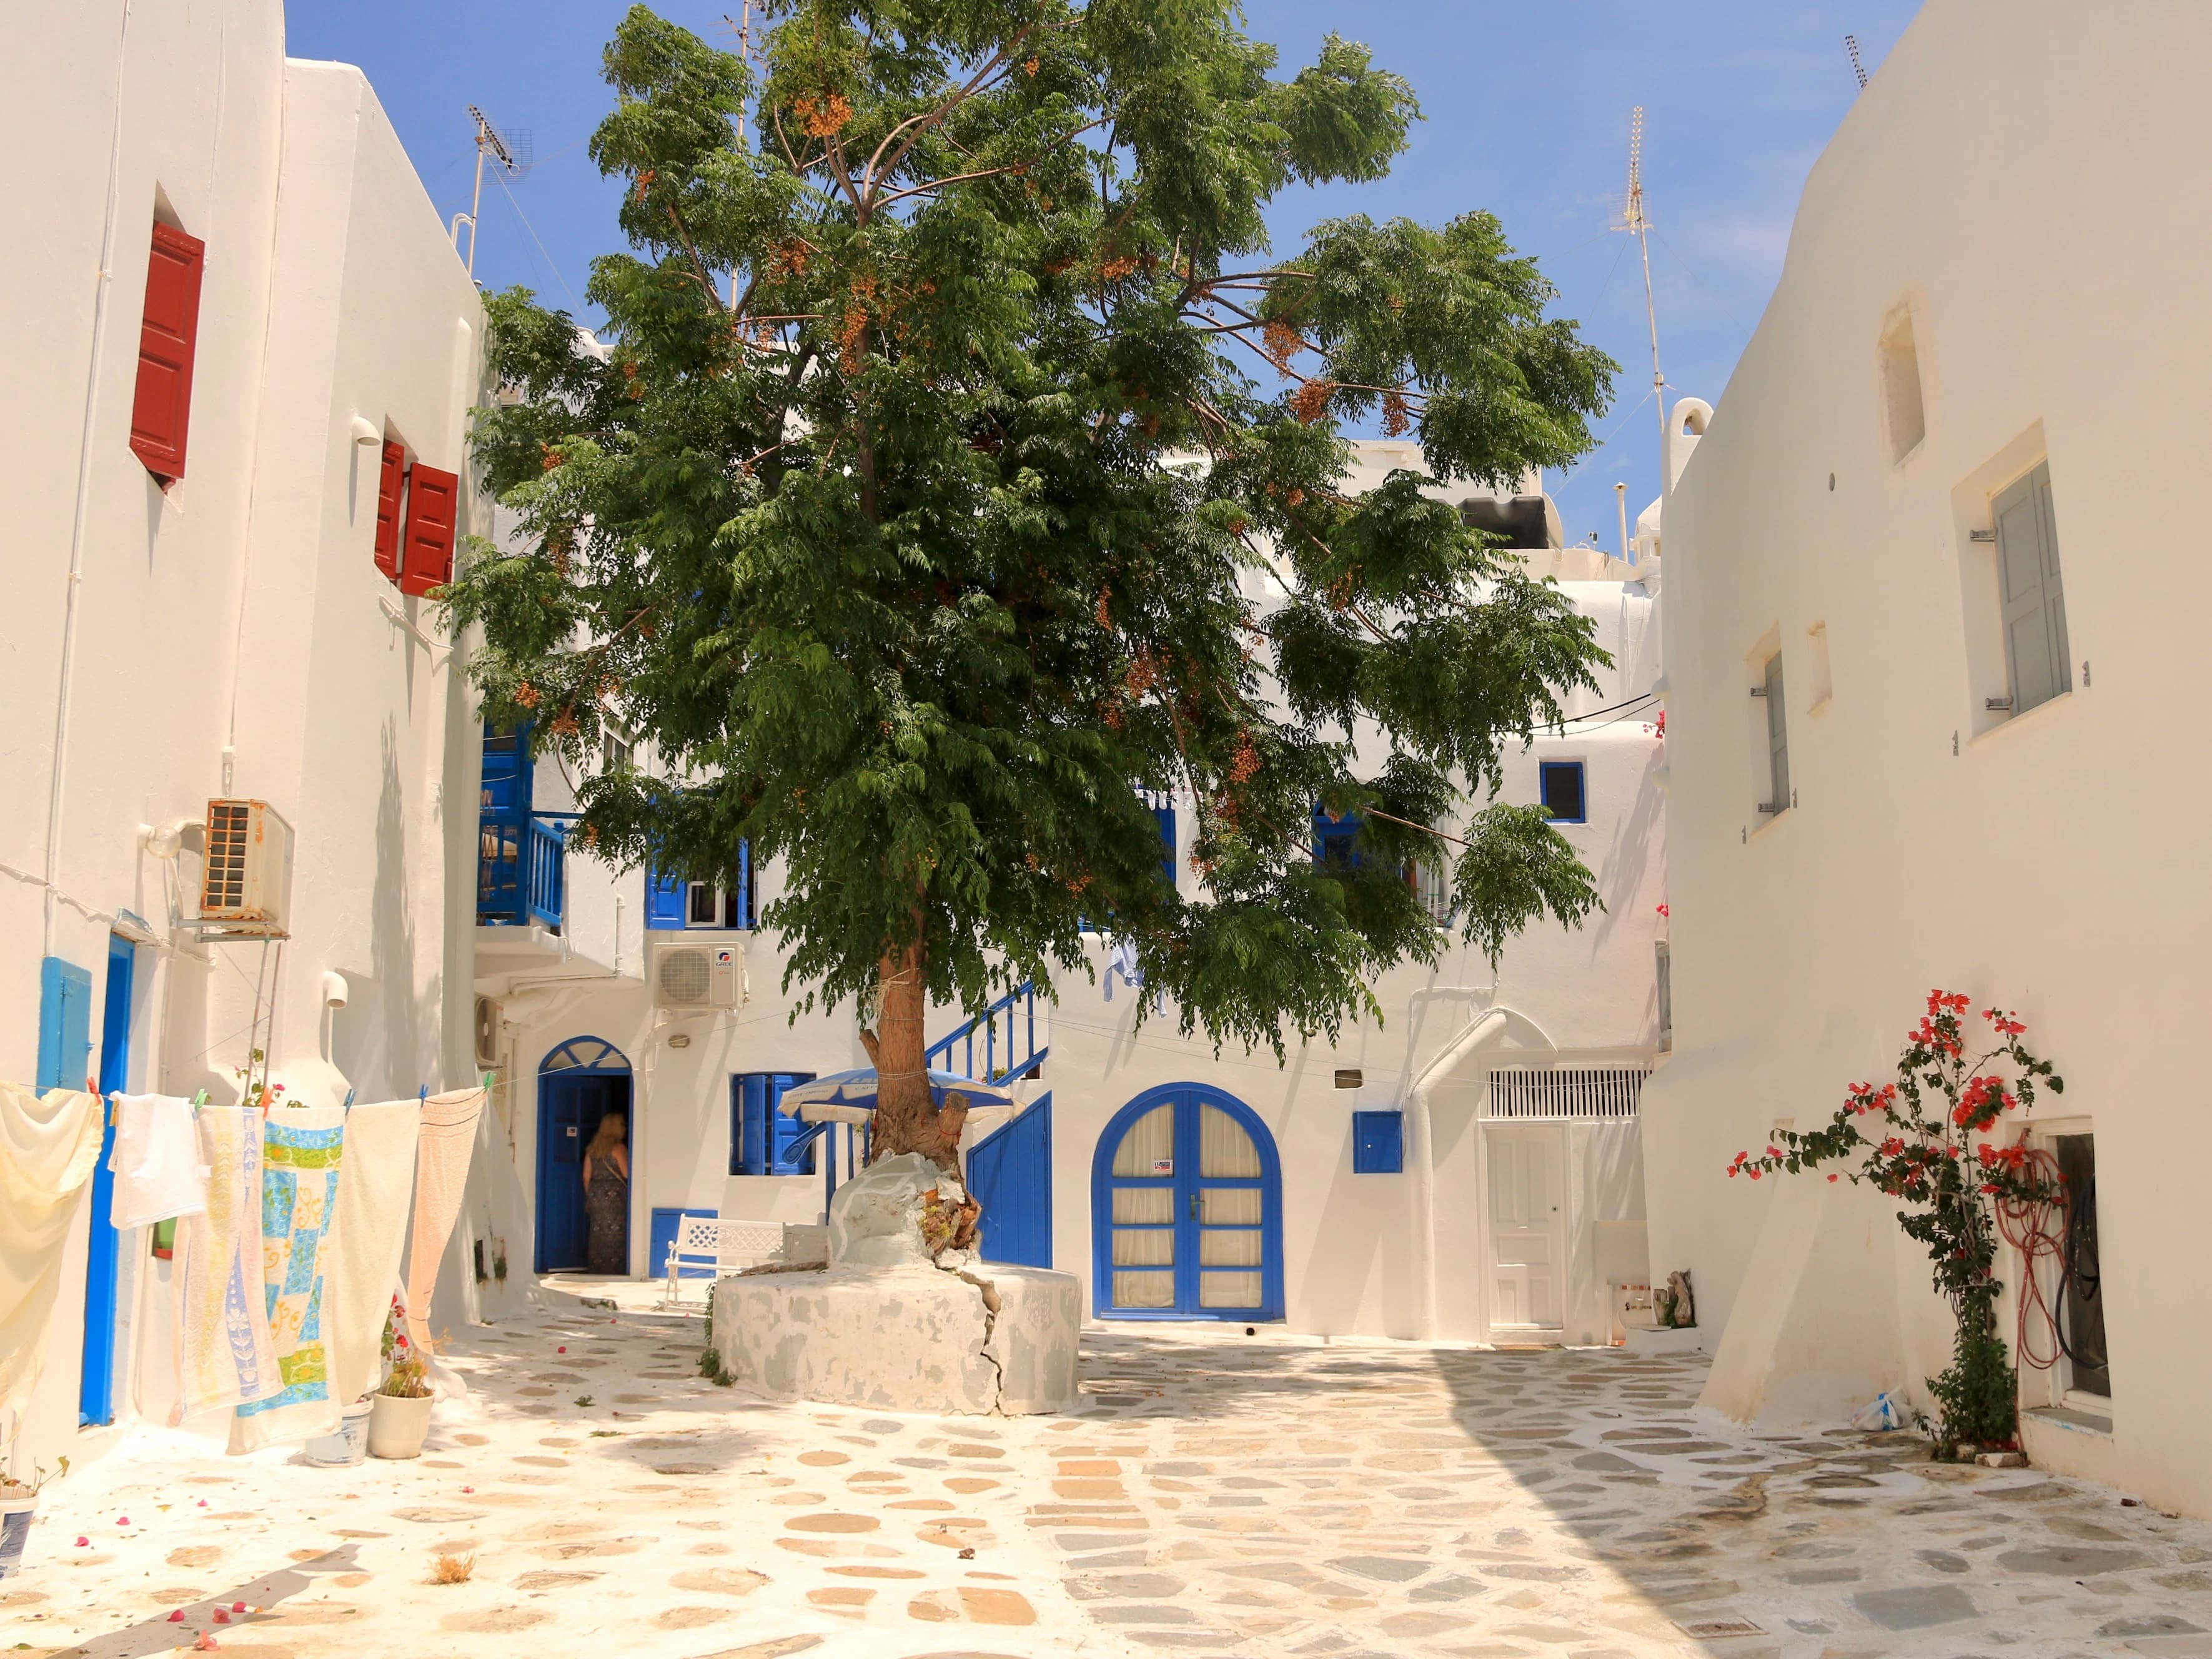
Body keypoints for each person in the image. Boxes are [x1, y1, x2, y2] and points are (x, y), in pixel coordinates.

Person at [581, 1111, 630, 1274]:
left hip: (596, 1194)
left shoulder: (592, 1149)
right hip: (615, 1196)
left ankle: (597, 1267)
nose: (626, 1128)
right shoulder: (619, 1148)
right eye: (623, 1125)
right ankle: (615, 1268)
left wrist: (590, 1197)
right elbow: (627, 1174)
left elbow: (586, 1177)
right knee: (616, 1232)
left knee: (598, 1232)